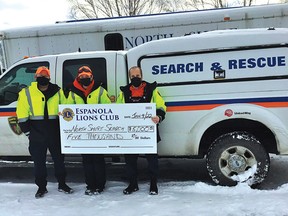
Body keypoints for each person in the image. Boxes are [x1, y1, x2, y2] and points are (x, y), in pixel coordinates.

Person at [16, 66, 73, 198]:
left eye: (45, 76)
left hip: (55, 133)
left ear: (49, 78)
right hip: (36, 134)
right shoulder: (26, 93)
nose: (43, 78)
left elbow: (66, 111)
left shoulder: (58, 91)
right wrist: (29, 133)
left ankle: (62, 184)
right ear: (35, 78)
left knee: (59, 161)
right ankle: (41, 187)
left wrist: (65, 129)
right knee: (39, 162)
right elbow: (22, 114)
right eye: (40, 76)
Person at [116, 66, 166, 195]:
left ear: (142, 76)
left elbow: (161, 106)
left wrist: (159, 116)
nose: (135, 78)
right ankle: (132, 184)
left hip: (148, 133)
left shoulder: (152, 90)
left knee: (152, 160)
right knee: (130, 160)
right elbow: (118, 110)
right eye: (132, 76)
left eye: (137, 75)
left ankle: (153, 185)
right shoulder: (123, 92)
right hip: (130, 133)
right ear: (129, 77)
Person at [66, 65, 111, 195]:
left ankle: (100, 185)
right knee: (86, 160)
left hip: (97, 132)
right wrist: (63, 114)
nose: (85, 78)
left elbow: (108, 109)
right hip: (82, 134)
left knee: (98, 159)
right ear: (78, 78)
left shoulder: (101, 91)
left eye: (87, 76)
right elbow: (68, 110)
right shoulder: (72, 93)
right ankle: (90, 185)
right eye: (82, 77)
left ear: (92, 76)